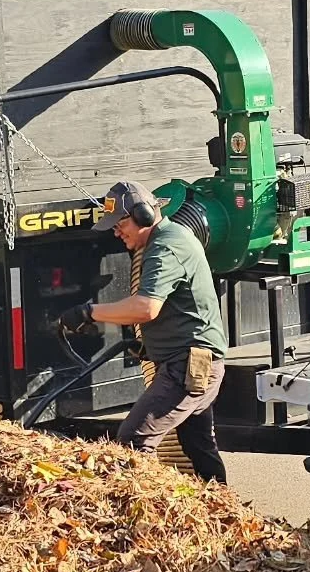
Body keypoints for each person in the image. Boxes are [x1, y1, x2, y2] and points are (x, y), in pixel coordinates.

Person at [56, 180, 229, 484]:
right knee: (197, 449)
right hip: (195, 362)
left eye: (120, 223)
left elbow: (146, 307)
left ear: (144, 215)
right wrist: (151, 344)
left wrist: (89, 312)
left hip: (192, 365)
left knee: (133, 441)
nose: (116, 231)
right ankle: (226, 514)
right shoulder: (165, 240)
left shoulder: (167, 245)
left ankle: (144, 514)